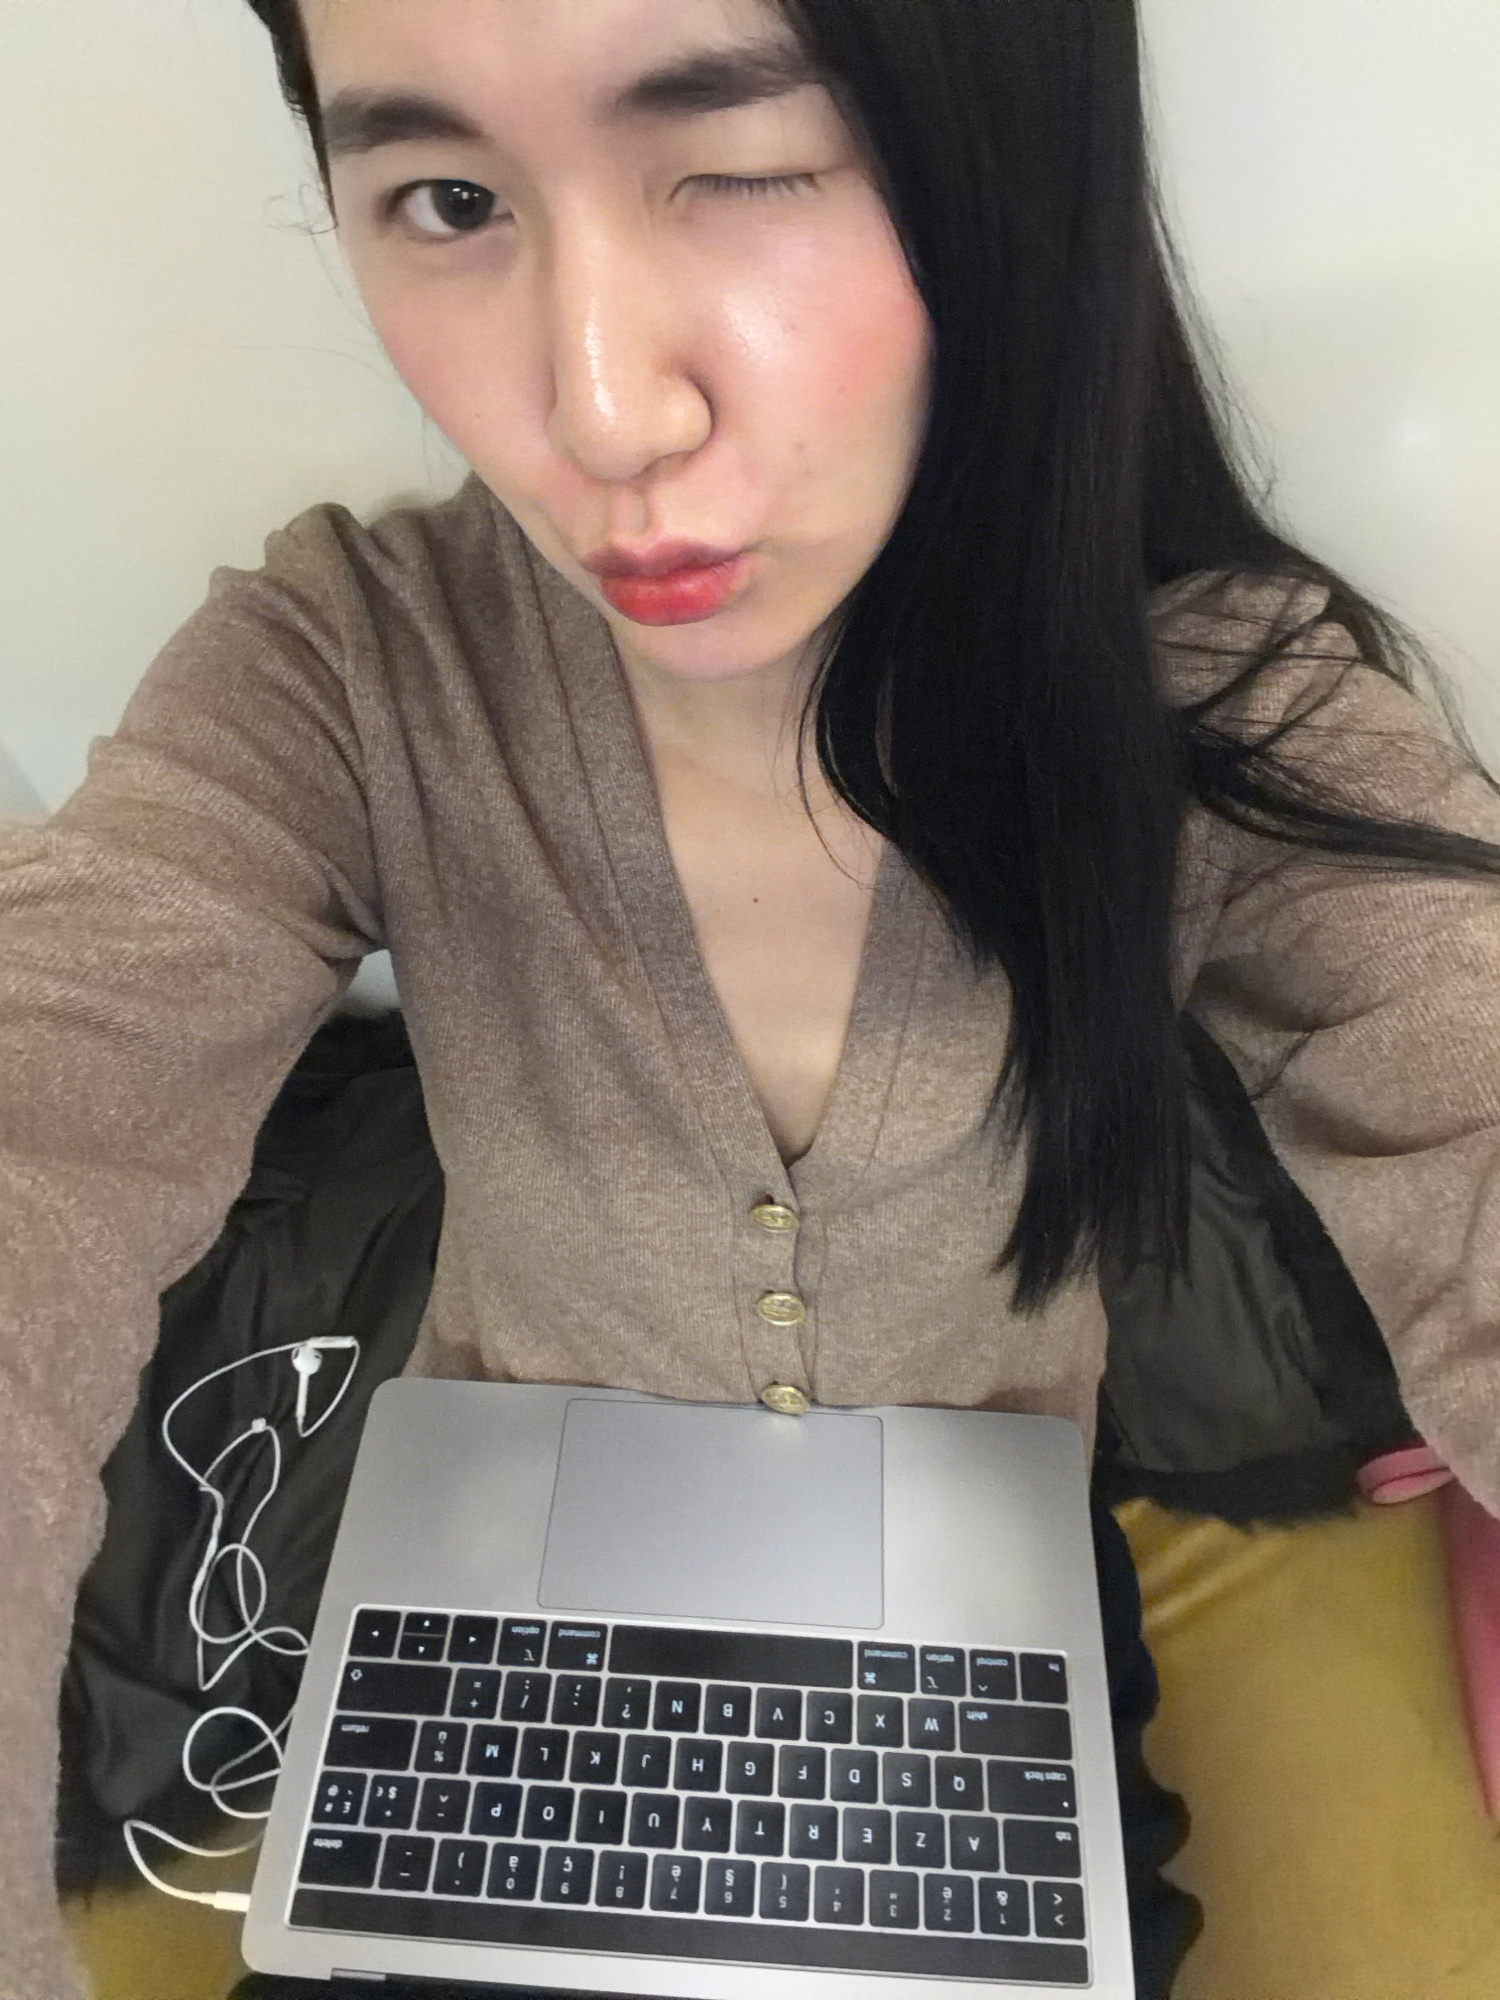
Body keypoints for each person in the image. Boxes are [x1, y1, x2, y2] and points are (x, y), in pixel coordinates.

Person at [4, 2, 1499, 1996]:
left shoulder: (1213, 693)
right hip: (504, 1588)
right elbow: (52, 1097)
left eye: (742, 163)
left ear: (1008, 165)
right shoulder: (349, 669)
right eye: (449, 199)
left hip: (978, 1591)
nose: (602, 412)